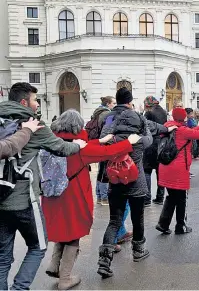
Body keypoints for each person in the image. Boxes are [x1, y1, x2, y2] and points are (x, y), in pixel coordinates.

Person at [42, 110, 141, 290]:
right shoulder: (81, 148)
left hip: (52, 195)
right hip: (72, 196)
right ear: (77, 126)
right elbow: (108, 153)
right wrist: (129, 142)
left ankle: (54, 265)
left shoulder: (52, 140)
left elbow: (90, 146)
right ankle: (65, 279)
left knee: (62, 230)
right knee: (73, 233)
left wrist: (99, 141)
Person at [0, 82, 85, 291]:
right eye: (35, 100)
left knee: (2, 256)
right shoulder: (33, 124)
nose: (37, 105)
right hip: (24, 199)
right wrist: (79, 145)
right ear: (24, 102)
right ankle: (19, 288)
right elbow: (60, 148)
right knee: (38, 246)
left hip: (0, 198)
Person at [97, 88, 154, 278]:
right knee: (138, 219)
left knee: (114, 220)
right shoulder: (139, 137)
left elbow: (103, 138)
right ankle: (138, 251)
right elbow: (149, 139)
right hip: (136, 181)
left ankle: (105, 260)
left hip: (116, 180)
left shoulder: (113, 130)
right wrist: (142, 122)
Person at [155, 107, 199, 235]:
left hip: (165, 166)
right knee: (181, 198)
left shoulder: (168, 127)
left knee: (171, 197)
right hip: (178, 169)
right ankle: (181, 226)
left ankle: (163, 224)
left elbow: (192, 131)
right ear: (183, 117)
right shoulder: (182, 130)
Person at [143, 96, 168, 206]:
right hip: (161, 143)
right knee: (160, 171)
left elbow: (144, 127)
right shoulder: (163, 111)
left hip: (150, 143)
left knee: (147, 170)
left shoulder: (148, 113)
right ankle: (160, 197)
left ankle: (147, 198)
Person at [95, 96, 117, 206]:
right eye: (113, 103)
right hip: (105, 144)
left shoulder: (98, 112)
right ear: (108, 104)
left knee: (101, 171)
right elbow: (107, 130)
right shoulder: (107, 114)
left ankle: (99, 196)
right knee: (104, 172)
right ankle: (104, 198)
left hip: (99, 143)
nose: (115, 105)